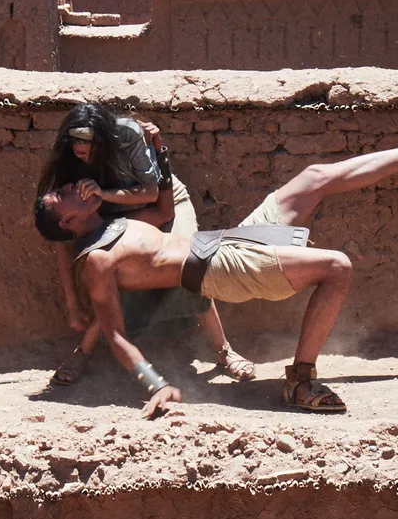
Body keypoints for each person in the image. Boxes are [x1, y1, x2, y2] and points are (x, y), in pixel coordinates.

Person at [34, 95, 398, 418]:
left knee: (313, 178)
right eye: (65, 194)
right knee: (337, 267)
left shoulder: (120, 221)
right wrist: (155, 384)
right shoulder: (97, 260)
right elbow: (116, 335)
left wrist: (158, 150)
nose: (73, 185)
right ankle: (301, 381)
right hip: (222, 269)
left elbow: (164, 208)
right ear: (68, 222)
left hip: (228, 240)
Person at [37, 104, 253, 386]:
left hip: (162, 203)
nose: (82, 154)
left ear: (105, 139)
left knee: (190, 265)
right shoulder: (69, 171)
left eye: (88, 147)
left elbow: (153, 196)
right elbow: (64, 242)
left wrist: (102, 193)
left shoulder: (127, 134)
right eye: (76, 147)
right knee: (110, 272)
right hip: (110, 211)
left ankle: (223, 350)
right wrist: (72, 303)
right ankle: (84, 351)